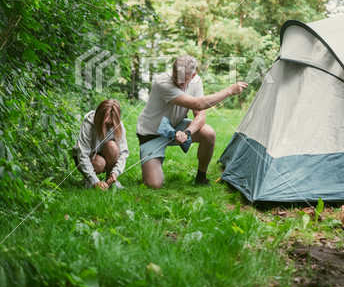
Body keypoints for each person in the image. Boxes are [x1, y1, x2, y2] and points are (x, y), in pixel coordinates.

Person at [136, 55, 248, 188]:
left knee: (208, 133)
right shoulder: (162, 82)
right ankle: (152, 163)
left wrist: (187, 133)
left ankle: (201, 177)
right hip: (151, 133)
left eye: (183, 80)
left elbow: (200, 116)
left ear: (194, 75)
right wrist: (228, 91)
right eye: (175, 77)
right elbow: (198, 104)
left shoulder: (196, 82)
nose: (178, 82)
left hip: (176, 125)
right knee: (153, 185)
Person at [72, 99, 129, 190]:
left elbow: (124, 152)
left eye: (112, 124)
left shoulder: (118, 125)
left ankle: (110, 180)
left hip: (104, 154)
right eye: (106, 123)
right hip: (87, 158)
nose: (109, 126)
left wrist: (115, 172)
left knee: (112, 147)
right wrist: (95, 181)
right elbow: (82, 154)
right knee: (99, 163)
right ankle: (88, 179)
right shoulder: (88, 123)